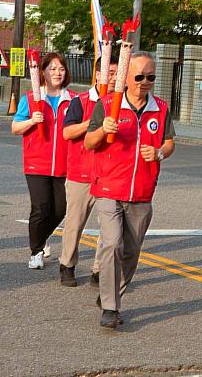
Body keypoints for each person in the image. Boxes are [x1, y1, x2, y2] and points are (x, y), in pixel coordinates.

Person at [84, 51, 176, 329]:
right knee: (112, 244)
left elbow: (169, 142)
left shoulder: (160, 108)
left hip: (142, 192)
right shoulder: (107, 104)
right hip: (110, 188)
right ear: (126, 77)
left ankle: (110, 293)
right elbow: (89, 142)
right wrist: (103, 130)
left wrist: (159, 152)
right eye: (139, 77)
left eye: (150, 77)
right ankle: (111, 307)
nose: (144, 82)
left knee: (131, 253)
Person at [11, 52, 76, 270]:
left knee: (60, 209)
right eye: (52, 69)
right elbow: (15, 127)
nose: (57, 73)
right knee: (41, 207)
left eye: (61, 69)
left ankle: (42, 236)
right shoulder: (31, 99)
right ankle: (36, 251)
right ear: (43, 72)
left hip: (65, 165)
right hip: (36, 163)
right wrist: (31, 120)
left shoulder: (74, 100)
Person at [58, 55, 119, 287]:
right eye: (109, 73)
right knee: (75, 223)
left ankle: (98, 269)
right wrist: (94, 123)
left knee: (109, 228)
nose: (113, 78)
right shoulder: (81, 101)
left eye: (116, 73)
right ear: (98, 75)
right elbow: (67, 133)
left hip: (108, 175)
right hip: (80, 173)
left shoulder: (120, 103)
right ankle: (67, 264)